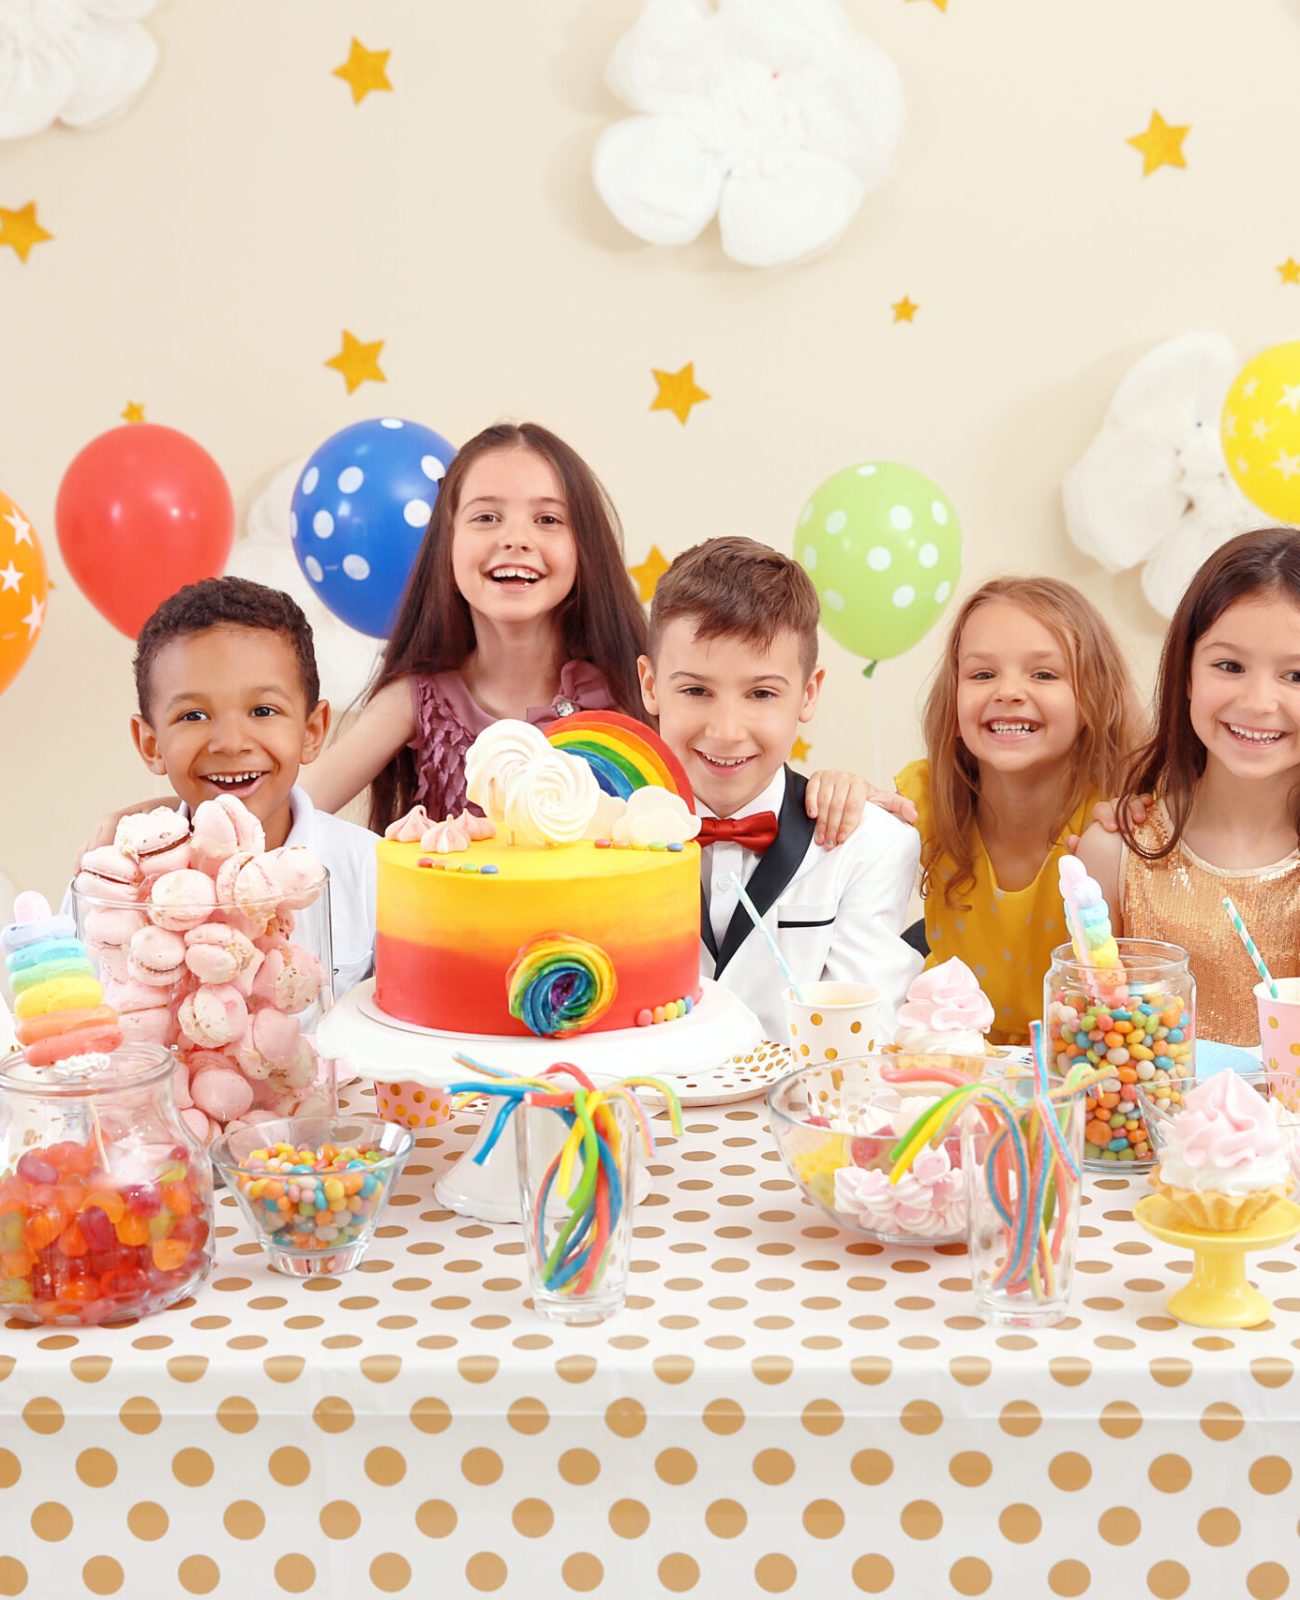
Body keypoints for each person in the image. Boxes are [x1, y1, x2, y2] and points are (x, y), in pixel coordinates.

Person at [301, 420, 881, 844]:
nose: (515, 538)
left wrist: (841, 794)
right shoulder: (419, 701)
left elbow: (737, 775)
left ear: (584, 549)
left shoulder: (632, 691)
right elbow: (296, 813)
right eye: (486, 516)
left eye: (548, 519)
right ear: (445, 545)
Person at [638, 536, 921, 1040]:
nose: (726, 729)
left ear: (808, 693)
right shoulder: (601, 837)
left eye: (761, 693)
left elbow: (862, 1042)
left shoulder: (871, 843)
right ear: (650, 685)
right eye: (696, 690)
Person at [896, 577, 1143, 1046]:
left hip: (1077, 1076)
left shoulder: (1114, 822)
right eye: (982, 674)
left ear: (1094, 697)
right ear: (953, 698)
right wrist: (840, 791)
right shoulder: (922, 800)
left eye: (1044, 675)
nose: (1008, 691)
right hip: (955, 1066)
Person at [1077, 528, 1300, 1045]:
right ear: (1187, 674)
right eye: (1229, 666)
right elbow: (1093, 1053)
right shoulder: (1114, 853)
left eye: (1296, 676)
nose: (1259, 701)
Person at [119, 578, 376, 995]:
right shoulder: (115, 886)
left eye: (262, 710)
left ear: (312, 731)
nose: (231, 743)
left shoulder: (369, 871)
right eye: (193, 716)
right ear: (151, 744)